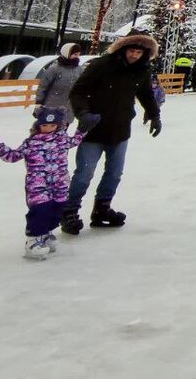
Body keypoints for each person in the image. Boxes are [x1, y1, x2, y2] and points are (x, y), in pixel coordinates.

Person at [63, 33, 162, 235]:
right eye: (131, 51)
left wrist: (154, 115)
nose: (134, 55)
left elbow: (145, 94)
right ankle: (69, 211)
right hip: (94, 128)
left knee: (114, 173)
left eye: (138, 52)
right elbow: (78, 91)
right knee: (84, 173)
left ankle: (102, 209)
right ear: (123, 49)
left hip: (120, 128)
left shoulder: (142, 70)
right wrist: (83, 113)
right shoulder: (102, 65)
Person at [0, 106, 98, 259]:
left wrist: (83, 128)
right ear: (38, 126)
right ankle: (33, 240)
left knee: (57, 210)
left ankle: (45, 234)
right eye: (44, 125)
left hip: (60, 184)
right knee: (40, 210)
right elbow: (12, 156)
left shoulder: (62, 140)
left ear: (58, 125)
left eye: (52, 125)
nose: (48, 129)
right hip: (38, 185)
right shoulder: (31, 143)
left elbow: (75, 141)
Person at [35, 43, 85, 122]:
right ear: (67, 53)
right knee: (48, 132)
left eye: (78, 55)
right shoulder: (54, 69)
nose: (77, 57)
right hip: (51, 107)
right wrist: (38, 103)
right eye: (75, 54)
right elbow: (43, 87)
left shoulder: (79, 70)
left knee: (62, 133)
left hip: (69, 110)